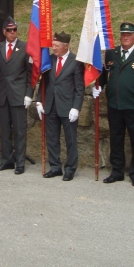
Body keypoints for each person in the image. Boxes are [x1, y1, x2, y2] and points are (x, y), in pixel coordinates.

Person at [98, 22, 134, 187]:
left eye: (129, 35)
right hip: (115, 106)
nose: (125, 37)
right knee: (115, 140)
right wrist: (98, 85)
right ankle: (117, 171)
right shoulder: (111, 54)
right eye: (123, 34)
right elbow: (104, 74)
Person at [36, 32, 84, 181]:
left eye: (57, 46)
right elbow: (44, 82)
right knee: (52, 138)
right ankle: (55, 167)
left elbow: (79, 87)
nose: (54, 48)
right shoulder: (49, 59)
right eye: (53, 45)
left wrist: (76, 107)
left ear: (66, 46)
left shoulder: (75, 61)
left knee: (70, 139)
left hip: (68, 107)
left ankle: (70, 169)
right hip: (51, 105)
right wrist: (39, 101)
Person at [0, 17, 33, 174]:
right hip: (3, 95)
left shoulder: (25, 48)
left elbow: (31, 74)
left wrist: (29, 94)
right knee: (5, 130)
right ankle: (6, 160)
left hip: (18, 95)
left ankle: (20, 163)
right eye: (9, 30)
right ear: (4, 32)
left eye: (15, 29)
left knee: (20, 130)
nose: (13, 33)